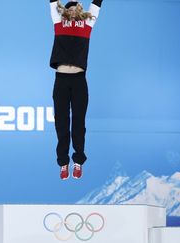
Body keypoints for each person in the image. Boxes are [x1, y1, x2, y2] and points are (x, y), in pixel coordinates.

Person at [49, 0, 103, 180]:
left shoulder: (87, 24)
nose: (72, 11)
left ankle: (78, 161)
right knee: (61, 124)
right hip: (61, 80)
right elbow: (52, 3)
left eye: (75, 8)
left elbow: (96, 5)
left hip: (79, 81)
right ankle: (63, 162)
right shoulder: (58, 22)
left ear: (80, 11)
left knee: (78, 123)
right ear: (64, 11)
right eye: (69, 9)